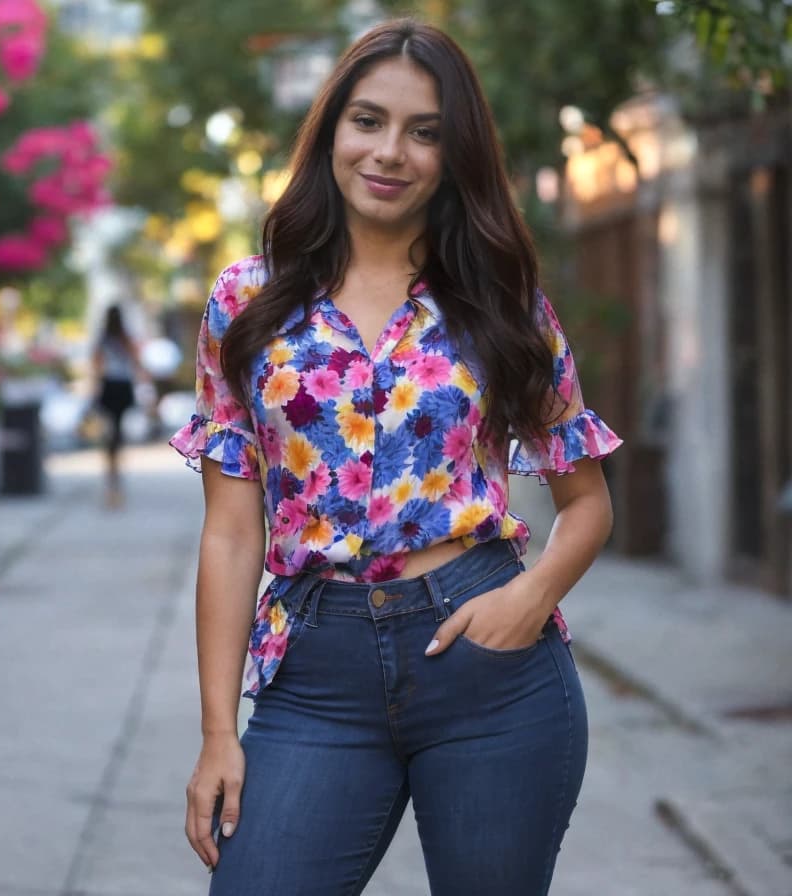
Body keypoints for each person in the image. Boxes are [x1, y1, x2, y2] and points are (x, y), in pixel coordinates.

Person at [169, 18, 622, 896]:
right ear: (331, 131)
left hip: (488, 667)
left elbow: (587, 502)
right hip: (315, 671)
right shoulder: (247, 301)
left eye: (425, 133)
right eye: (368, 121)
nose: (390, 153)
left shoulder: (501, 303)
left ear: (455, 157)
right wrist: (218, 732)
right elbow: (230, 535)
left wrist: (528, 600)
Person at [92, 303, 144, 507]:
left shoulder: (103, 339)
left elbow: (96, 366)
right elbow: (136, 362)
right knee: (117, 429)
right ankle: (116, 470)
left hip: (109, 386)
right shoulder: (125, 338)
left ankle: (112, 471)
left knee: (110, 431)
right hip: (123, 387)